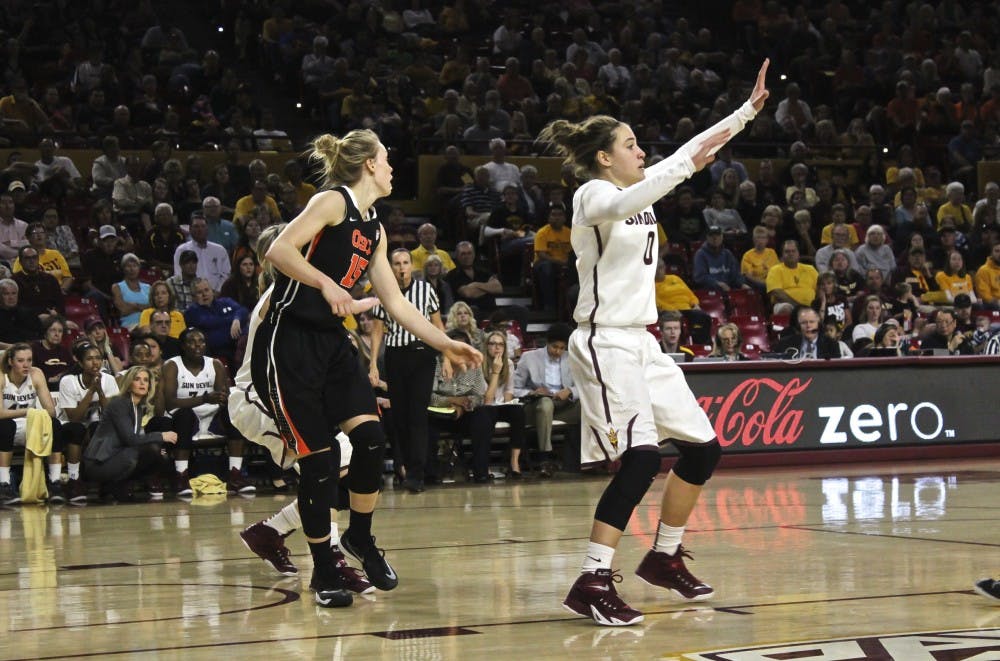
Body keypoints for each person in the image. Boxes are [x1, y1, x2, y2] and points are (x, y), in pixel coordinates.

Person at [535, 59, 769, 626]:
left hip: (641, 343)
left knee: (703, 449)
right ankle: (591, 579)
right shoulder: (593, 195)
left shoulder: (638, 188)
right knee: (640, 458)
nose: (641, 153)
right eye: (631, 145)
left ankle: (663, 557)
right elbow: (659, 178)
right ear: (603, 157)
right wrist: (682, 166)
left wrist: (746, 112)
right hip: (601, 343)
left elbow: (689, 152)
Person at [251, 129, 480, 608]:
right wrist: (327, 286)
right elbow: (278, 250)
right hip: (288, 343)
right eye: (387, 157)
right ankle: (323, 571)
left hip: (331, 345)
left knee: (373, 440)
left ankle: (360, 537)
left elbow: (396, 301)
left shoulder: (373, 225)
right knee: (320, 461)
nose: (393, 165)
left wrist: (445, 343)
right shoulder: (333, 202)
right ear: (370, 165)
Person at [369, 248, 444, 494]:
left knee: (417, 415)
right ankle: (404, 467)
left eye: (405, 263)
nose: (401, 267)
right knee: (399, 417)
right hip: (395, 356)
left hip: (423, 354)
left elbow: (437, 325)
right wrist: (372, 364)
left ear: (412, 265)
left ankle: (416, 474)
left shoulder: (426, 290)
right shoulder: (383, 291)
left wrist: (448, 356)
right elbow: (378, 330)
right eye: (396, 263)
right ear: (390, 267)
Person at [162, 327, 252, 496]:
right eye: (191, 342)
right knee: (184, 415)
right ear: (182, 346)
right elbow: (170, 402)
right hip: (181, 416)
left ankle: (235, 474)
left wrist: (223, 398)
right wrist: (203, 399)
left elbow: (220, 397)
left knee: (233, 413)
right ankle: (181, 476)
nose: (197, 345)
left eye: (201, 341)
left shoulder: (215, 364)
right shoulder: (172, 365)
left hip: (211, 416)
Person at [83, 366, 177, 501]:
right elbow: (130, 439)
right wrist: (161, 435)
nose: (142, 383)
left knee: (160, 455)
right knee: (150, 450)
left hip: (116, 456)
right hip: (99, 462)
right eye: (137, 379)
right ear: (128, 383)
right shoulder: (119, 403)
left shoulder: (137, 407)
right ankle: (112, 484)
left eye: (146, 380)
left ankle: (117, 485)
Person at [0, 343, 66, 504]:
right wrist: (28, 412)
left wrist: (32, 414)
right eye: (21, 360)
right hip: (6, 426)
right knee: (6, 426)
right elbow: (1, 413)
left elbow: (51, 411)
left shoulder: (36, 374)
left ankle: (55, 483)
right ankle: (4, 484)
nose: (26, 365)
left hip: (31, 425)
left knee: (55, 424)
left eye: (29, 360)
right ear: (10, 362)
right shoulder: (2, 376)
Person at [512, 323, 580, 475]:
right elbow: (514, 389)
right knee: (545, 404)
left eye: (562, 348)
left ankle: (580, 459)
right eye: (555, 347)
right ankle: (545, 458)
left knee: (587, 405)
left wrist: (569, 391)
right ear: (547, 343)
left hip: (564, 404)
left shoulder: (572, 359)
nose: (558, 351)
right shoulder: (529, 358)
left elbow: (583, 387)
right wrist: (533, 392)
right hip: (538, 405)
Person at [56, 342, 120, 502]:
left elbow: (110, 415)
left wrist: (100, 391)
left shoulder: (109, 380)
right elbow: (74, 418)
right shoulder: (68, 381)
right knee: (77, 429)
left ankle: (104, 480)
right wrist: (91, 391)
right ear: (80, 362)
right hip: (68, 429)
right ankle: (74, 480)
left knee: (100, 427)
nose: (95, 362)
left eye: (98, 358)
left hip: (94, 428)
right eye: (90, 359)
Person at [481, 330, 525, 477]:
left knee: (518, 412)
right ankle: (484, 465)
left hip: (500, 405)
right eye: (492, 344)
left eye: (500, 344)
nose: (497, 347)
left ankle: (514, 462)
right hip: (484, 408)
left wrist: (508, 404)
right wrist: (495, 371)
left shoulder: (509, 363)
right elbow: (487, 399)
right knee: (487, 415)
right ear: (486, 346)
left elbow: (509, 390)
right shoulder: (479, 363)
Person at [767, 239, 819, 315]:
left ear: (798, 253)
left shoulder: (810, 269)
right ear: (782, 255)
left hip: (811, 306)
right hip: (786, 304)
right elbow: (777, 293)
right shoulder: (775, 270)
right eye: (787, 251)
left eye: (793, 251)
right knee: (786, 308)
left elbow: (820, 289)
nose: (790, 254)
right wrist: (798, 306)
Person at [692, 225, 747, 291]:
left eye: (717, 235)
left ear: (722, 237)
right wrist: (717, 284)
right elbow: (700, 277)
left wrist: (741, 284)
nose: (715, 238)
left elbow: (735, 274)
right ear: (707, 237)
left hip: (729, 291)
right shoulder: (700, 254)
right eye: (711, 235)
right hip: (710, 292)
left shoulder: (727, 254)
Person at [774, 306, 841, 359]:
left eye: (812, 322)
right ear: (798, 326)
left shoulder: (831, 345)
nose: (808, 326)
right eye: (804, 323)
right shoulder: (785, 344)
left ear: (818, 324)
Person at [31, 316, 73, 391]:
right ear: (45, 332)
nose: (57, 334)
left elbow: (72, 370)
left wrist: (62, 375)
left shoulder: (65, 351)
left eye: (60, 331)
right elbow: (30, 372)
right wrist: (48, 379)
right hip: (41, 388)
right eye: (53, 330)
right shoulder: (34, 349)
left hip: (64, 389)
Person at [111, 253, 151, 330]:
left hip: (149, 323)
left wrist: (134, 306)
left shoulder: (148, 287)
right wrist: (144, 307)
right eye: (128, 266)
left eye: (135, 266)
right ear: (123, 268)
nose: (132, 269)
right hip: (130, 325)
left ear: (139, 268)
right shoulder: (117, 287)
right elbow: (123, 310)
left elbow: (154, 307)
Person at [740, 225, 779, 293]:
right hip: (758, 284)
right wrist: (764, 283)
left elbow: (778, 269)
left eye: (763, 238)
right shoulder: (747, 255)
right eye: (758, 237)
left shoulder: (772, 252)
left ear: (767, 240)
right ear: (754, 239)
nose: (760, 240)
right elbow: (749, 276)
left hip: (774, 281)